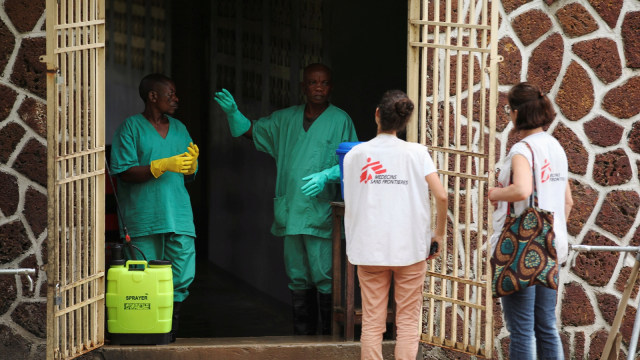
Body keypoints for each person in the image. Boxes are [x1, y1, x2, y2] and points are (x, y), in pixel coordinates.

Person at [213, 63, 358, 335]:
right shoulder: (285, 119)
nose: (318, 87)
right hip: (291, 211)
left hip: (320, 213)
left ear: (331, 88)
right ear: (303, 87)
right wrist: (233, 113)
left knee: (324, 276)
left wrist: (327, 175)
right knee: (297, 277)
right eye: (313, 83)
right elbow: (253, 131)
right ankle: (303, 338)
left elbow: (354, 160)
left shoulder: (340, 120)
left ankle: (327, 339)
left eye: (324, 83)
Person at [342, 90, 447, 360]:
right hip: (410, 248)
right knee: (408, 322)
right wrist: (439, 234)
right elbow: (443, 195)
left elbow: (352, 197)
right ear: (405, 122)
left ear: (377, 114)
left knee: (372, 322)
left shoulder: (356, 154)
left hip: (369, 248)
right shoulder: (417, 153)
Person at [110, 73, 199, 342]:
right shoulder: (130, 128)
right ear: (152, 96)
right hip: (144, 215)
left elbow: (188, 171)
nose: (176, 99)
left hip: (178, 214)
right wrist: (159, 166)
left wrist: (191, 166)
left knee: (182, 275)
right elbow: (123, 172)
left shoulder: (180, 128)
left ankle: (169, 335)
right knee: (143, 279)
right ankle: (145, 338)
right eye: (170, 94)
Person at [488, 82, 573, 359]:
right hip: (551, 246)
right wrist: (550, 232)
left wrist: (494, 193)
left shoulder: (522, 150)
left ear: (516, 113)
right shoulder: (555, 146)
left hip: (522, 248)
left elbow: (522, 190)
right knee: (546, 326)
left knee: (522, 329)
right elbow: (567, 201)